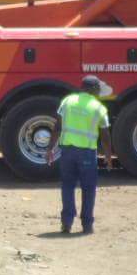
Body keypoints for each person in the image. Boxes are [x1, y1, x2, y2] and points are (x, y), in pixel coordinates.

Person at [46, 76, 113, 235]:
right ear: (95, 89)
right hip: (87, 154)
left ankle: (66, 223)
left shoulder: (68, 101)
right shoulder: (99, 108)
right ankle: (87, 225)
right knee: (88, 189)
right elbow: (105, 136)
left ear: (82, 87)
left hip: (67, 151)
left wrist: (50, 149)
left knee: (67, 186)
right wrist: (108, 156)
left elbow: (57, 127)